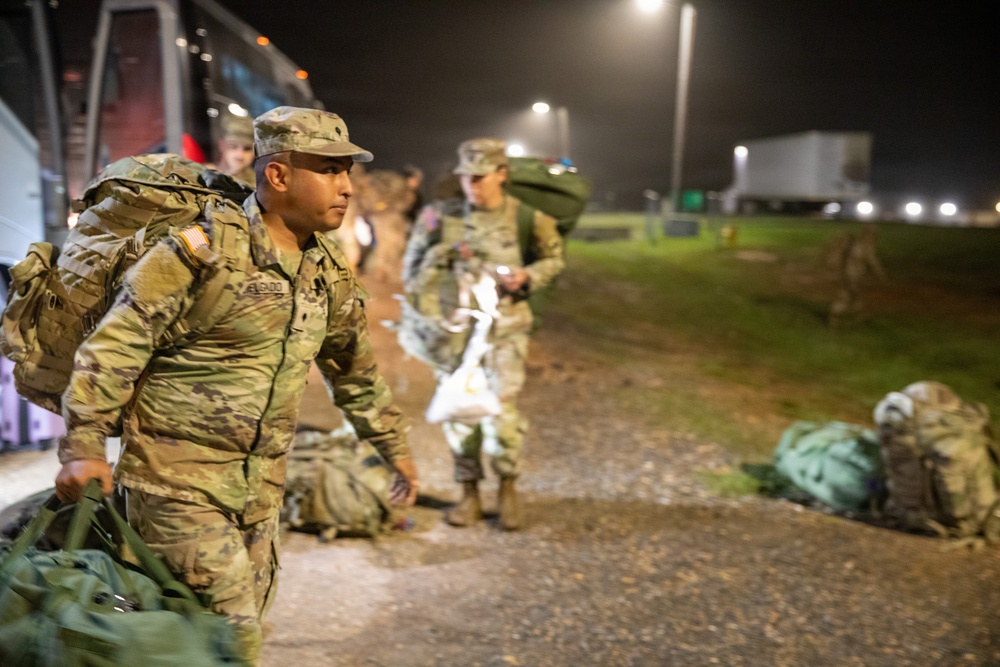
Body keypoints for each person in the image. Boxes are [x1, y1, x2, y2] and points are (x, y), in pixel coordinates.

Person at [53, 106, 419, 665]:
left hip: (259, 492)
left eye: (346, 171)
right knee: (230, 640)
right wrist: (83, 448)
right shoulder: (200, 254)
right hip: (175, 486)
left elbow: (355, 371)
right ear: (277, 175)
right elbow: (114, 347)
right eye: (328, 170)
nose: (346, 187)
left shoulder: (327, 270)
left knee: (215, 638)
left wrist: (394, 449)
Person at [402, 138, 564, 531]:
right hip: (454, 334)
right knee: (459, 414)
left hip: (505, 332)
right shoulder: (438, 217)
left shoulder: (529, 218)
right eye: (466, 177)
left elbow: (554, 258)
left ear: (502, 174)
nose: (472, 185)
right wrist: (440, 263)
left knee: (501, 412)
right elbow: (410, 271)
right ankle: (469, 492)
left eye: (480, 177)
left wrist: (528, 276)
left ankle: (508, 488)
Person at [828, 224, 887, 327]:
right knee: (846, 296)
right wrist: (880, 273)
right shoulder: (863, 246)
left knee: (851, 295)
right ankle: (835, 318)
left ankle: (858, 315)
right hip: (851, 276)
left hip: (848, 274)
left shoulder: (855, 243)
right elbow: (872, 262)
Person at [211, 112, 256, 187]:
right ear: (222, 145)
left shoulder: (258, 184)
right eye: (233, 146)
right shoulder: (201, 174)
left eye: (247, 149)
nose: (240, 155)